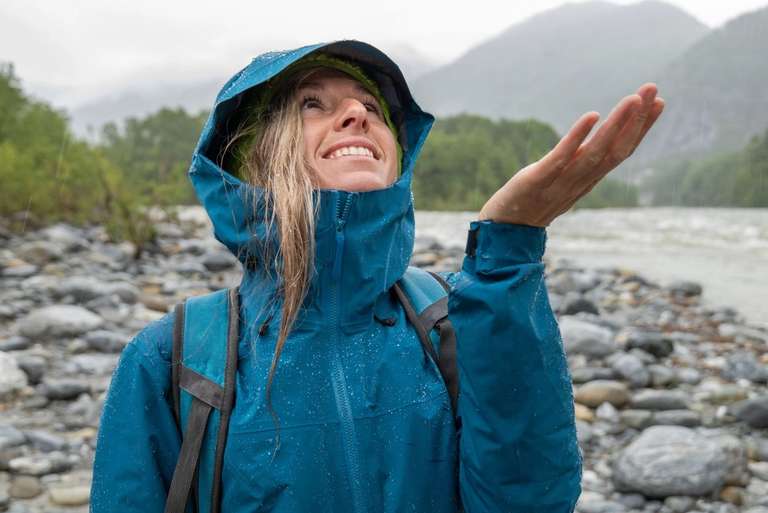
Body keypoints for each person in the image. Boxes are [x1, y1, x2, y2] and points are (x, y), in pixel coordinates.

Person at [89, 40, 664, 513]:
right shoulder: (173, 359)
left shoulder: (457, 314)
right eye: (312, 104)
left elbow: (529, 500)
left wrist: (510, 247)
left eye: (371, 106)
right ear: (249, 158)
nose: (358, 113)